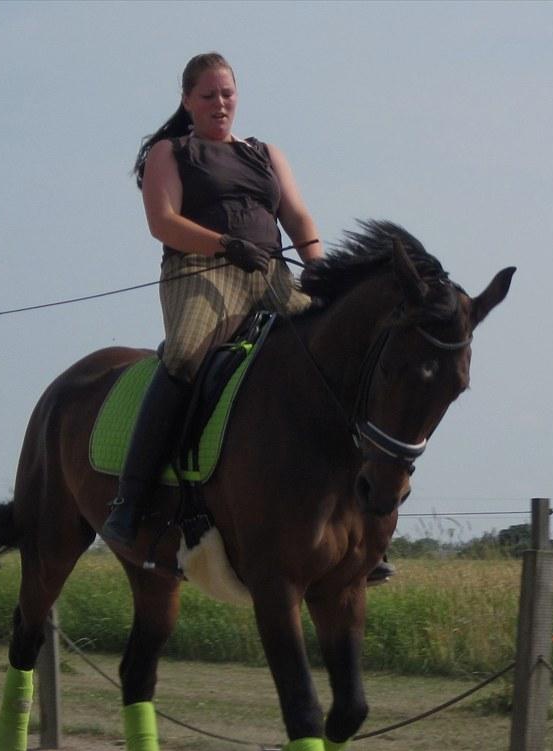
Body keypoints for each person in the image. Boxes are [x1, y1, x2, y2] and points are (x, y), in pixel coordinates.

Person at [100, 51, 395, 585]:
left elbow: (299, 216)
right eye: (208, 95)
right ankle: (129, 500)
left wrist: (321, 274)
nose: (220, 103)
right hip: (200, 273)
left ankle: (358, 515)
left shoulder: (265, 153)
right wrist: (225, 244)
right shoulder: (172, 152)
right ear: (188, 100)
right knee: (187, 354)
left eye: (227, 94)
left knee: (340, 356)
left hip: (273, 276)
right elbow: (163, 222)